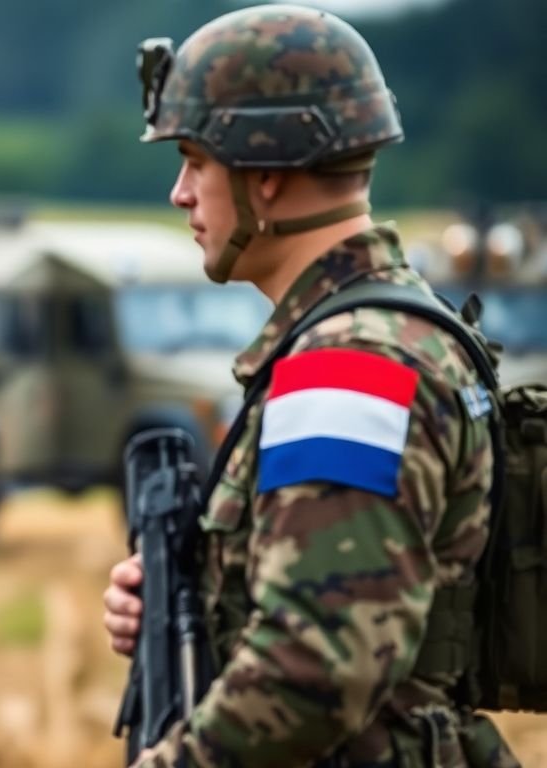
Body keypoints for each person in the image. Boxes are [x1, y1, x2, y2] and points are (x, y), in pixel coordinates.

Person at [103, 6, 518, 766]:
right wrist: (194, 596)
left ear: (263, 173)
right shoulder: (398, 328)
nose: (180, 193)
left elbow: (315, 671)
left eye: (195, 161)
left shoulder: (347, 368)